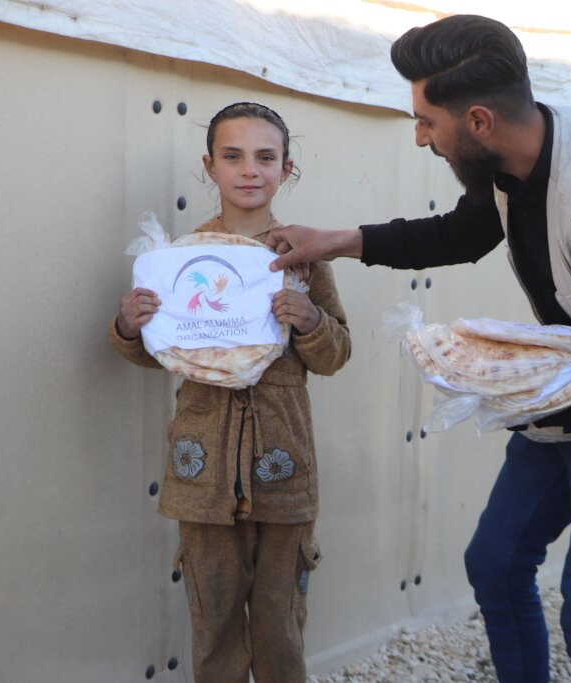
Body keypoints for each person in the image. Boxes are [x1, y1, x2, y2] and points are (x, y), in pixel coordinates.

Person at [266, 15, 571, 683]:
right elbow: (460, 235)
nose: (420, 137)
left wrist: (510, 396)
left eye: (427, 122)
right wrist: (333, 241)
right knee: (496, 563)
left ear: (479, 121)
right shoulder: (515, 154)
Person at [108, 102, 351, 683]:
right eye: (233, 156)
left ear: (285, 168)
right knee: (213, 624)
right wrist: (129, 327)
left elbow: (336, 354)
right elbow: (162, 352)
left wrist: (311, 321)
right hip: (203, 474)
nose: (249, 170)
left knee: (279, 627)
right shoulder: (180, 258)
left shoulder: (303, 257)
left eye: (265, 157)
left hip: (283, 472)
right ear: (209, 166)